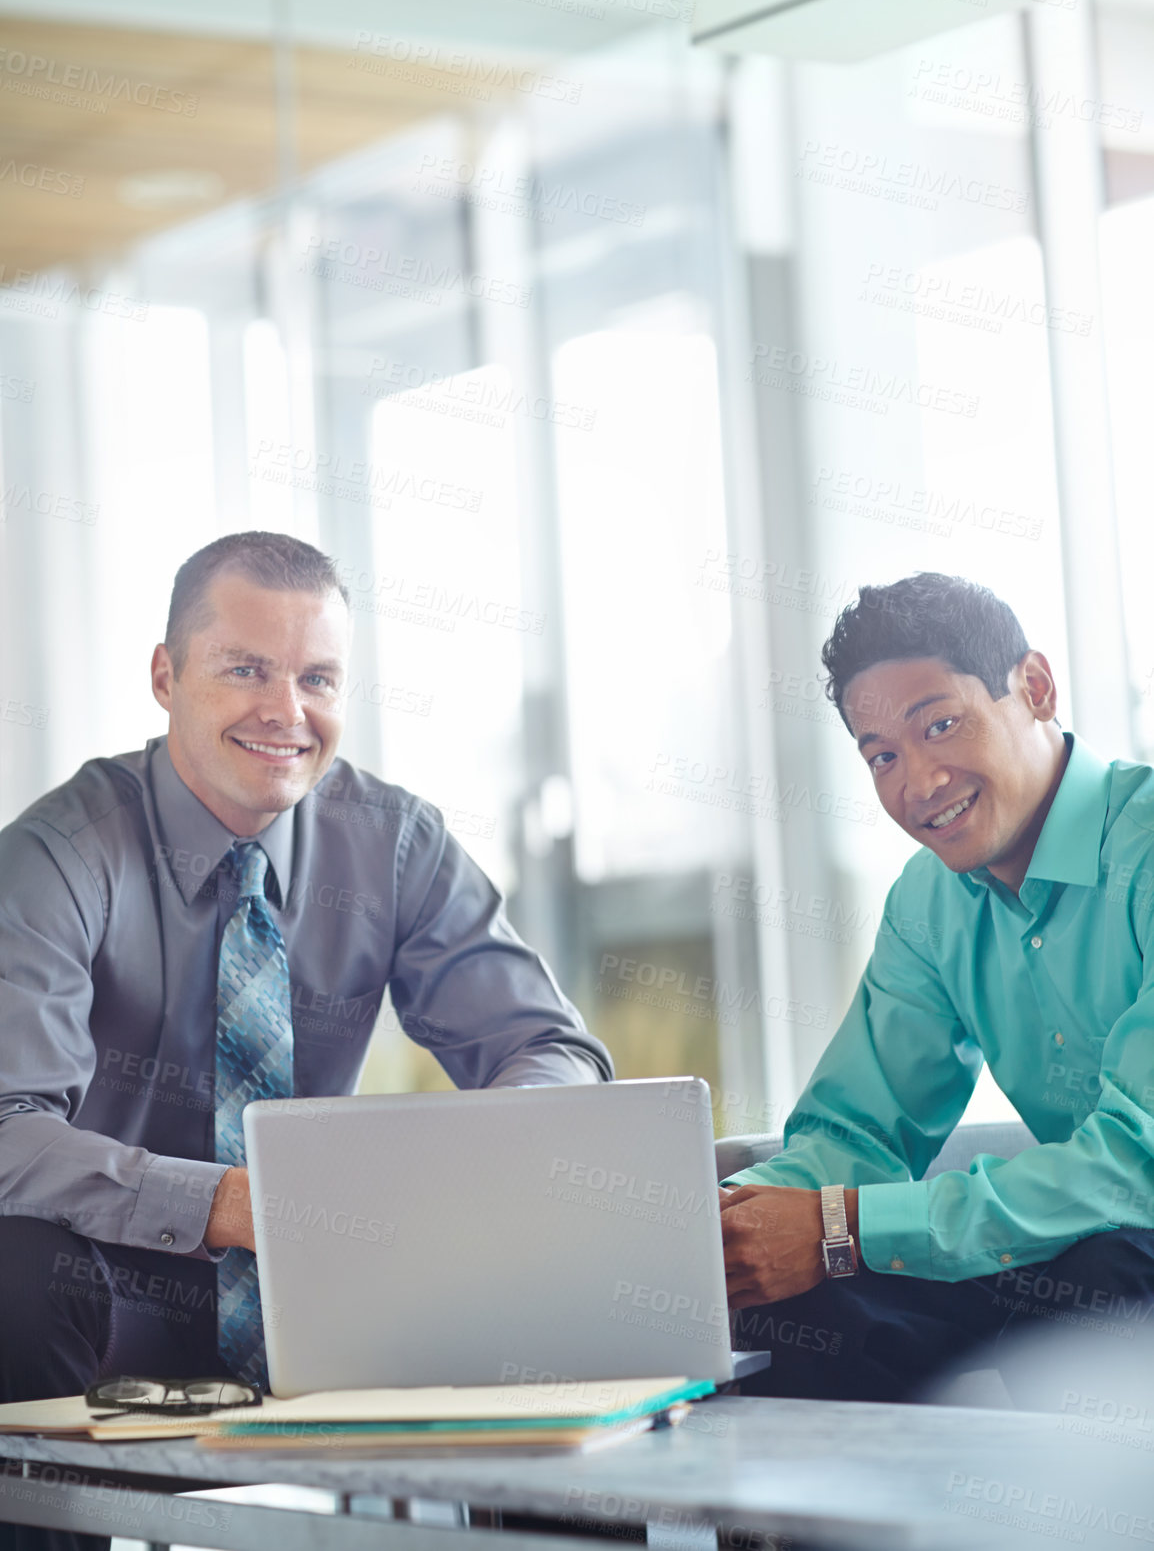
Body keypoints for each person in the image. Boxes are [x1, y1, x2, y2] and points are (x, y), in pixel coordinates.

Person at [0, 531, 611, 1551]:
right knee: (9, 1268)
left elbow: (552, 1048)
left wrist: (487, 1158)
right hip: (113, 1308)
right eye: (246, 669)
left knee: (560, 1215)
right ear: (166, 675)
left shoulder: (391, 839)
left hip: (352, 1287)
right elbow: (8, 1127)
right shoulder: (57, 857)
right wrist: (228, 1206)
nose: (287, 712)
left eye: (317, 677)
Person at [720, 572, 1154, 1405]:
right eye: (882, 756)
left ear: (1033, 687)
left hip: (1127, 1240)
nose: (917, 783)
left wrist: (839, 1229)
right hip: (1087, 1241)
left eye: (941, 725)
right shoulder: (929, 902)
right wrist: (735, 1218)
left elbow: (1135, 1165)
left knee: (1104, 1284)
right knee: (803, 1306)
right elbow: (858, 1132)